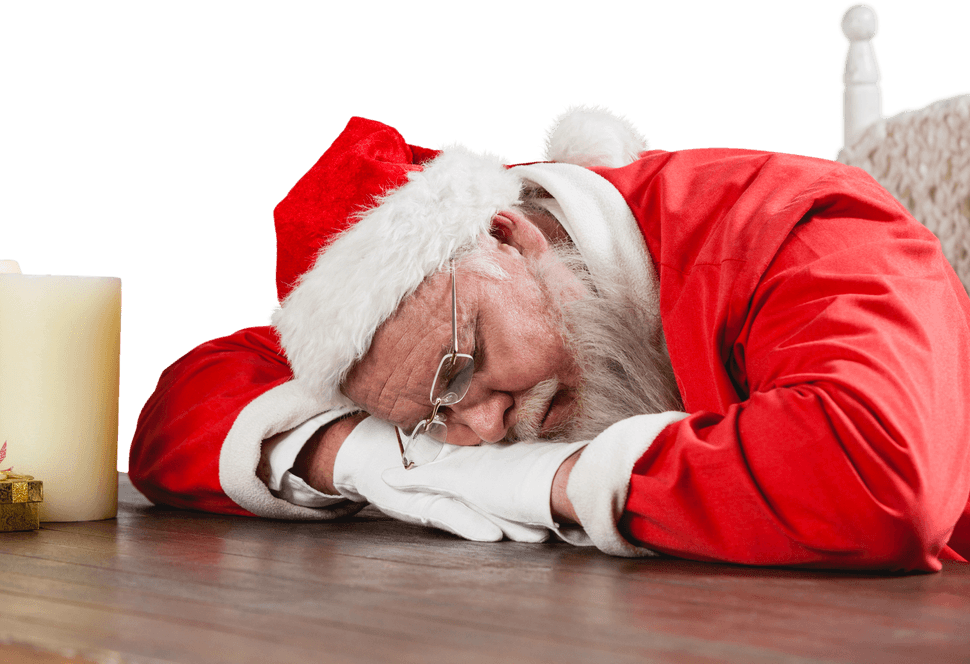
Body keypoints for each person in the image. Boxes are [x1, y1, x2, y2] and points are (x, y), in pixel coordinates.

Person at [128, 105, 970, 572]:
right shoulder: (429, 330)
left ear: (515, 236)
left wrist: (551, 482)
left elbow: (876, 475)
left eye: (465, 373)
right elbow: (179, 413)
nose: (483, 427)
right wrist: (376, 457)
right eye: (431, 415)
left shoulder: (802, 223)